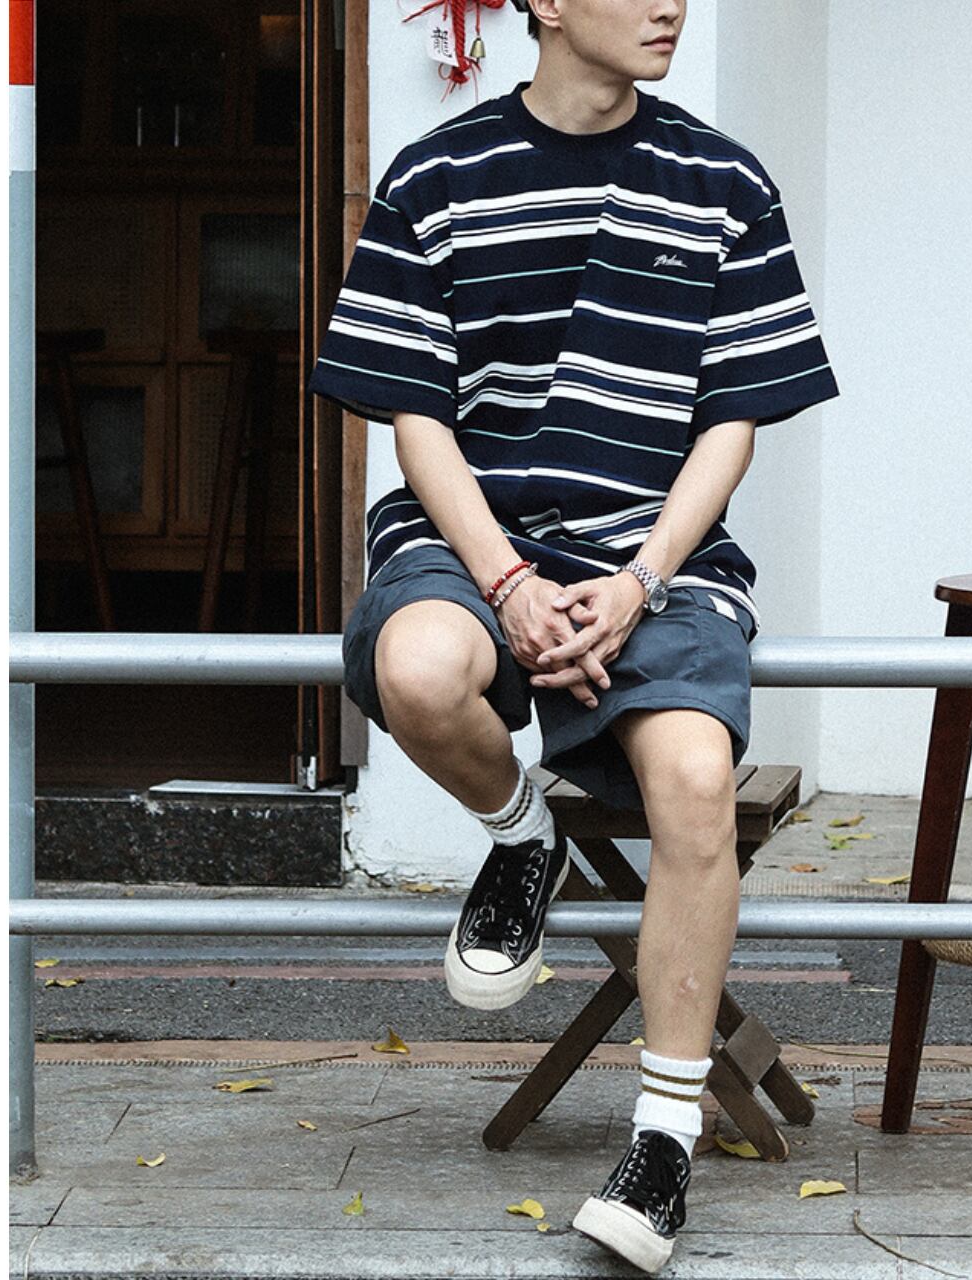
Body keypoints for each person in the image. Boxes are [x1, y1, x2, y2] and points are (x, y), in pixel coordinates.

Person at [307, 1, 838, 1271]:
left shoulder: (722, 180)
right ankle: (521, 834)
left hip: (660, 556)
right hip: (469, 535)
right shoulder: (436, 175)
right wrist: (503, 578)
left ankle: (662, 1141)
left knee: (694, 780)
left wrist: (642, 577)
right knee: (416, 666)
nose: (669, 6)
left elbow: (731, 420)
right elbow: (415, 415)